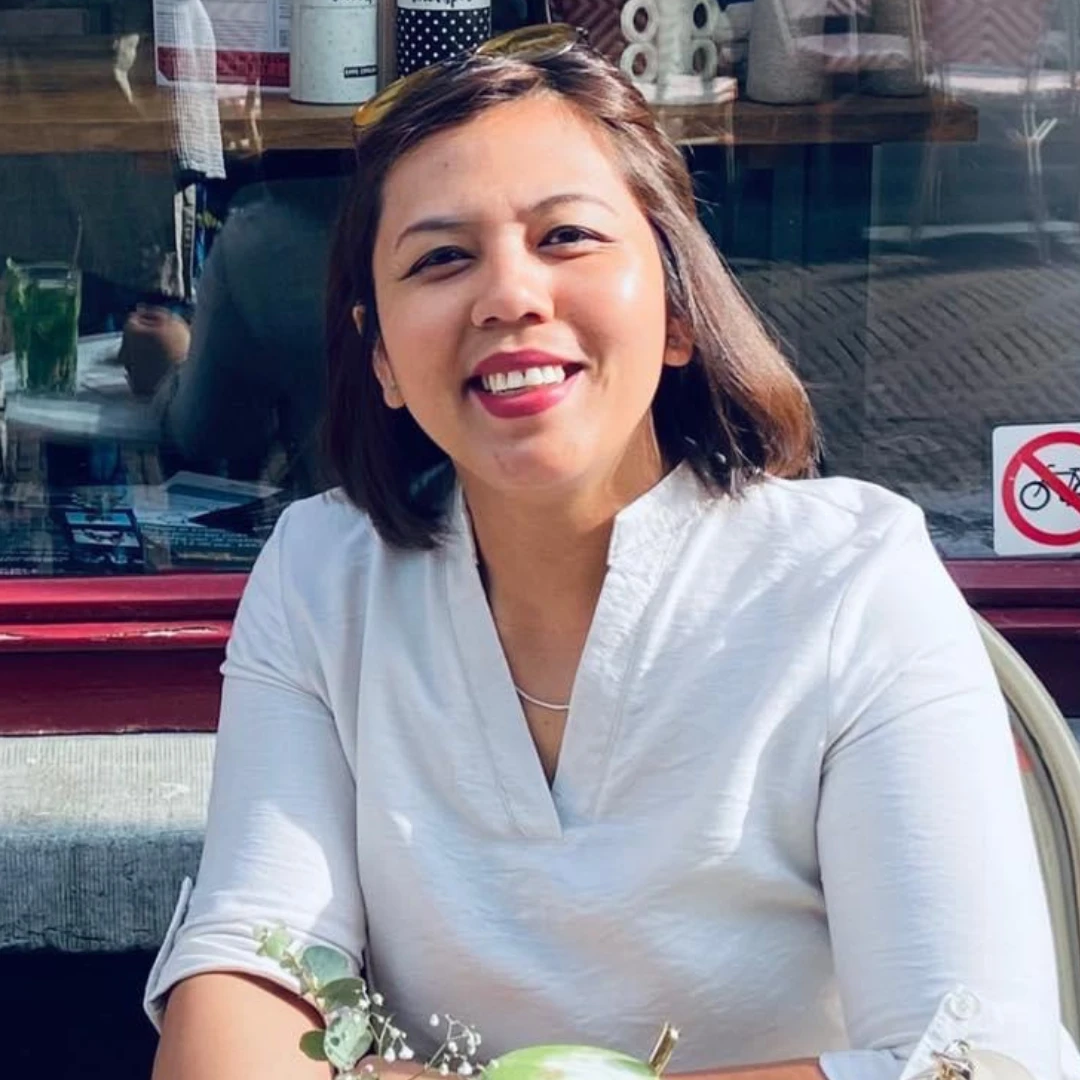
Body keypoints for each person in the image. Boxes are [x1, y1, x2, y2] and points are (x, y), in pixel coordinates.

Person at [145, 26, 1078, 1080]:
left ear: (678, 310)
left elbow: (979, 1057)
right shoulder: (323, 577)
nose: (510, 296)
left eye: (568, 237)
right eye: (442, 258)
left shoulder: (853, 585)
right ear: (383, 360)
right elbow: (247, 979)